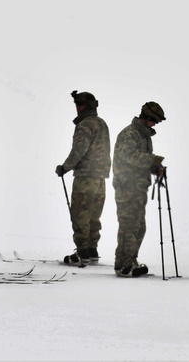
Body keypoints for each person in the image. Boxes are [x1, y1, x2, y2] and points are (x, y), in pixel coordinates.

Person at [56, 90, 111, 266]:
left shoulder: (85, 125)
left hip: (86, 177)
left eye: (80, 105)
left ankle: (82, 252)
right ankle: (92, 249)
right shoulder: (101, 124)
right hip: (100, 178)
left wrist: (65, 167)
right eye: (77, 105)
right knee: (94, 215)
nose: (78, 108)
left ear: (88, 106)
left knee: (81, 214)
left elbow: (79, 150)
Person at [112, 101, 166, 277]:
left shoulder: (144, 137)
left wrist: (155, 169)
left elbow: (141, 161)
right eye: (154, 121)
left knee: (139, 227)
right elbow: (128, 157)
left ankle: (130, 260)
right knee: (129, 226)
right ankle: (124, 264)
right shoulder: (129, 134)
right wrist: (152, 160)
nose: (154, 124)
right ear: (147, 117)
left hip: (139, 187)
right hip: (127, 187)